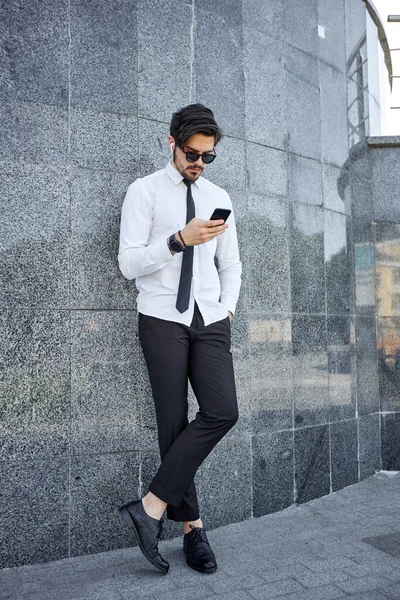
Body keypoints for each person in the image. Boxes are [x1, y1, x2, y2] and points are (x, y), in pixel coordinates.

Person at [117, 103, 242, 574]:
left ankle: (149, 507)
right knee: (173, 425)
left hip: (209, 319)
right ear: (172, 142)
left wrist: (226, 307)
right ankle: (193, 530)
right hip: (162, 318)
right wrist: (178, 240)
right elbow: (128, 264)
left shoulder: (217, 193)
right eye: (192, 153)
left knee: (222, 410)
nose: (199, 163)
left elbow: (231, 264)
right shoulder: (144, 192)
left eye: (208, 156)